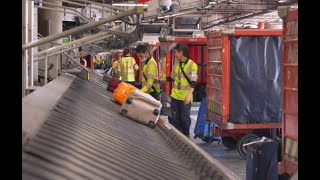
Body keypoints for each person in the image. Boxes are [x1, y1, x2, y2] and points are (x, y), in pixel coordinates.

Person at [166, 44, 198, 138]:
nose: (175, 54)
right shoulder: (176, 63)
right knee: (174, 118)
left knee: (185, 118)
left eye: (176, 52)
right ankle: (177, 137)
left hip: (185, 97)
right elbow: (172, 78)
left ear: (181, 53)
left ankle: (186, 135)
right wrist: (162, 80)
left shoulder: (192, 65)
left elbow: (193, 82)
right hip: (175, 96)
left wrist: (189, 96)